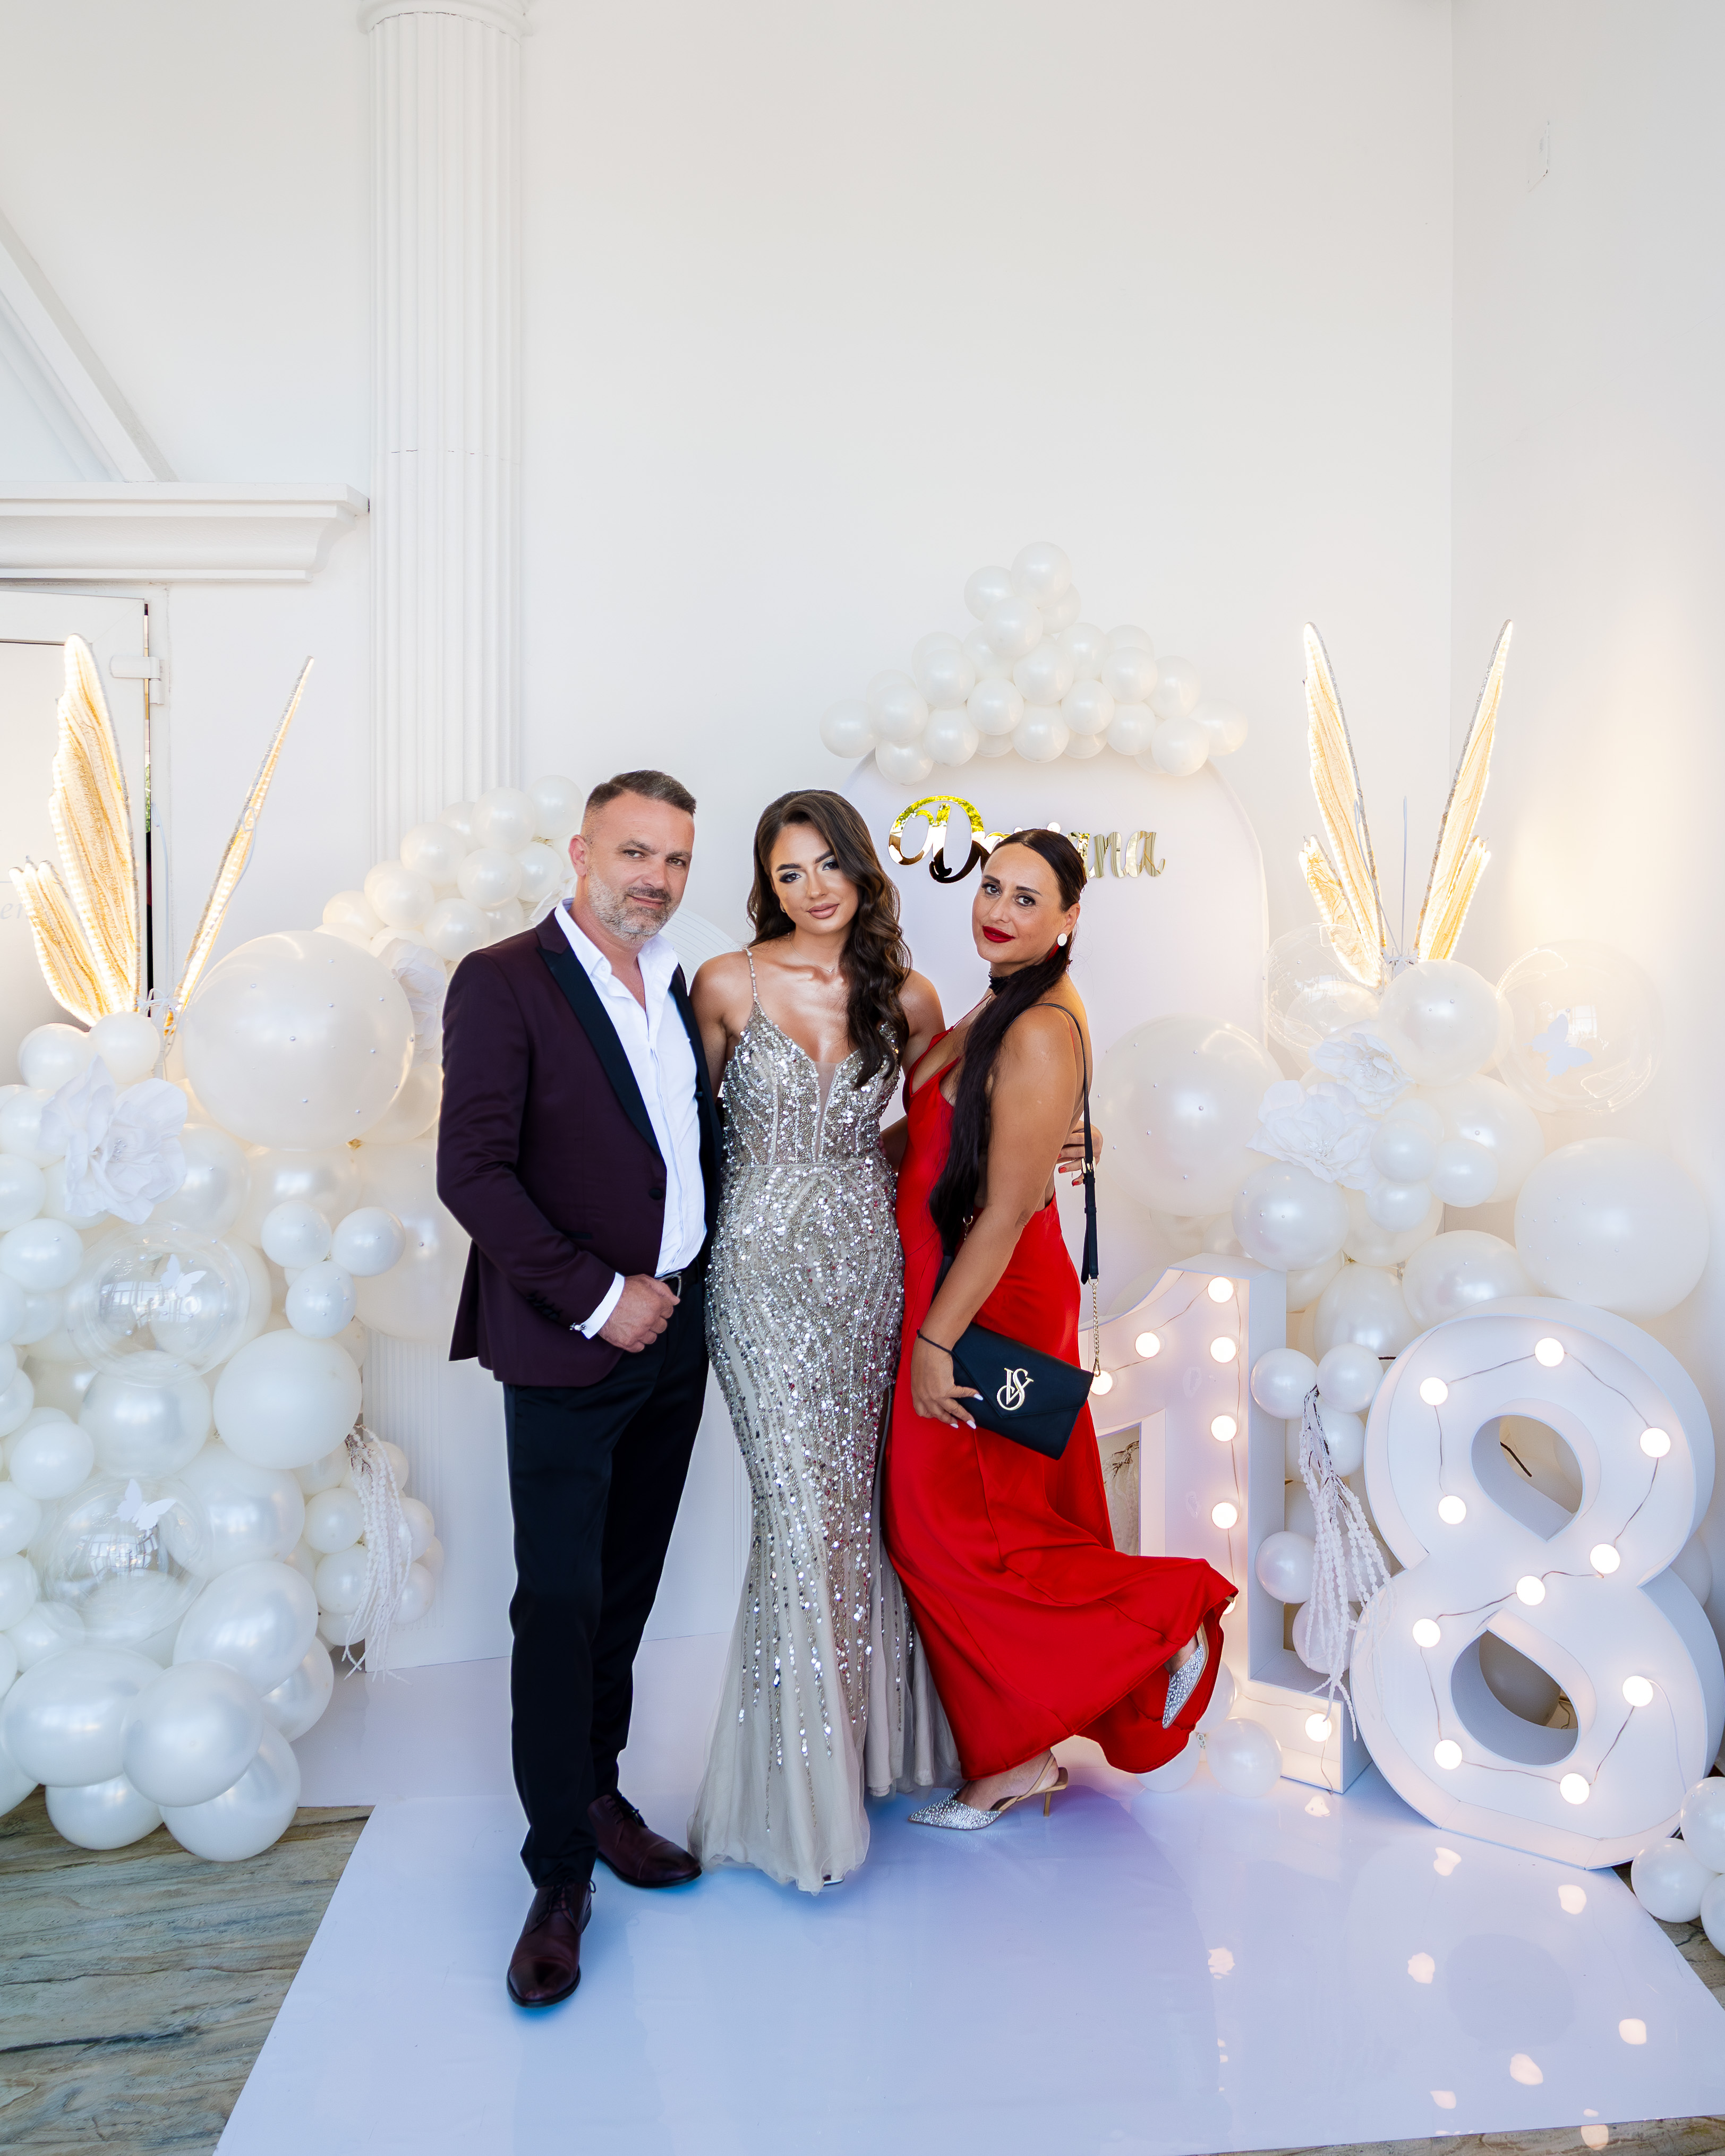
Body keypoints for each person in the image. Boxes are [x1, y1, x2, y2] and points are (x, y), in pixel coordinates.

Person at [883, 828, 1235, 1829]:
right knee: (988, 1530)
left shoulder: (1038, 1024)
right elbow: (946, 1141)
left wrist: (936, 1344)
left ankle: (1167, 1619)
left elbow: (1002, 1212)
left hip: (986, 1296)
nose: (999, 911)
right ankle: (1019, 1758)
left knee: (961, 1535)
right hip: (963, 1283)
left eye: (1028, 898)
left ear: (1071, 917)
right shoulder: (1003, 1000)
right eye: (992, 888)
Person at [437, 769, 721, 2008]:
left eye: (675, 859)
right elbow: (472, 1172)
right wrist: (604, 1297)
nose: (655, 877)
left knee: (625, 1589)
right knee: (558, 1602)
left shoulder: (681, 984)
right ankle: (558, 1873)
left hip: (678, 1334)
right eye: (634, 851)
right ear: (580, 852)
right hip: (574, 1336)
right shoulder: (502, 979)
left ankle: (597, 1795)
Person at [685, 790, 957, 1893]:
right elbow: (683, 1140)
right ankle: (800, 1806)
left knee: (853, 1514)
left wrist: (1048, 1144)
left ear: (861, 868)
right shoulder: (724, 982)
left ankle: (863, 1755)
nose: (813, 889)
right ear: (768, 886)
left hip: (864, 1270)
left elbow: (931, 1134)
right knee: (798, 1517)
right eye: (789, 873)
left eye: (828, 864)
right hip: (755, 1273)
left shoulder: (909, 995)